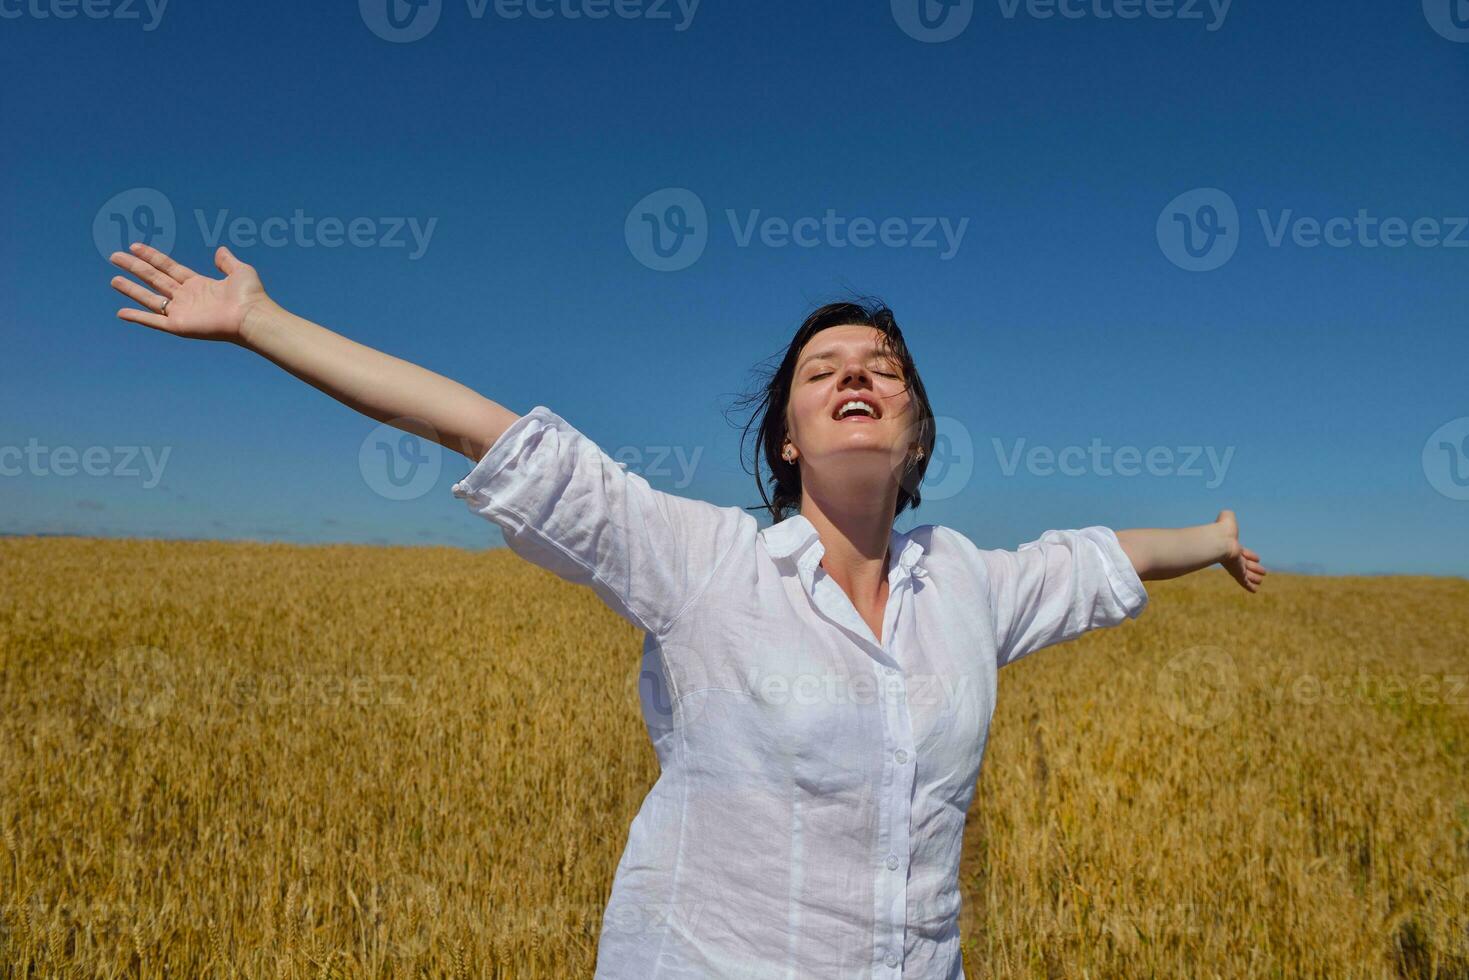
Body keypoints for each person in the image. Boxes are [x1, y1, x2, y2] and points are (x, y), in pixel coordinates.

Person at [108, 243, 1267, 979]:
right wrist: (259, 321)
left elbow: (1104, 555)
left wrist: (1209, 540)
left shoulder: (963, 579)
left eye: (883, 366)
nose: (855, 373)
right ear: (786, 434)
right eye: (823, 370)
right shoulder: (705, 562)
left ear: (913, 429)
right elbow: (483, 431)